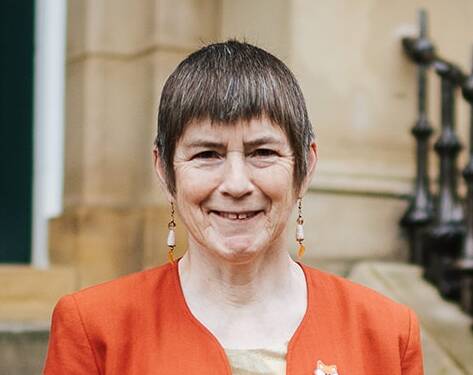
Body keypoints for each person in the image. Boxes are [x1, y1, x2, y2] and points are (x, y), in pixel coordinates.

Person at [43, 40, 424, 375]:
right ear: (164, 170)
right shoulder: (94, 328)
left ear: (305, 166)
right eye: (207, 154)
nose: (237, 184)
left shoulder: (388, 333)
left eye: (263, 152)